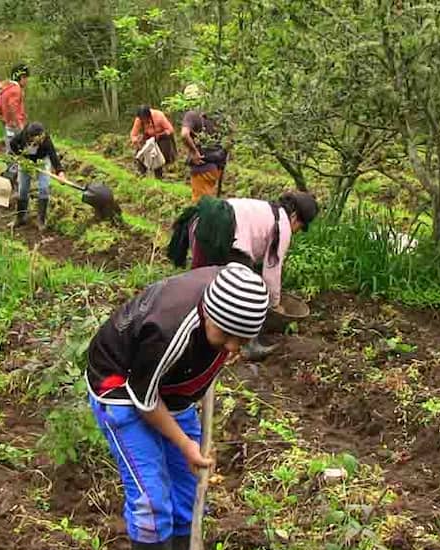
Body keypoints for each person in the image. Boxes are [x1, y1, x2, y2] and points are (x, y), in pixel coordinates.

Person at [85, 262, 269, 550]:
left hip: (171, 386)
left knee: (188, 484)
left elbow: (224, 335)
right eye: (226, 336)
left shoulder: (232, 293)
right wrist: (184, 443)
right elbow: (145, 402)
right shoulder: (167, 331)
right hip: (121, 385)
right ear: (209, 314)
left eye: (241, 340)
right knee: (152, 499)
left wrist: (187, 446)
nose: (232, 347)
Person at [166, 192, 319, 359]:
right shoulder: (283, 225)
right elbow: (272, 270)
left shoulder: (267, 209)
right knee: (246, 290)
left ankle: (188, 327)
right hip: (222, 230)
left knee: (204, 279)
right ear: (294, 216)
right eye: (300, 227)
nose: (297, 231)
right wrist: (275, 304)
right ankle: (249, 346)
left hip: (203, 221)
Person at [8, 122, 66, 227]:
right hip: (25, 161)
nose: (40, 140)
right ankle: (20, 217)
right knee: (23, 188)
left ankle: (41, 220)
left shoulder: (46, 139)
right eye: (37, 138)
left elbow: (53, 155)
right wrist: (20, 156)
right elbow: (12, 144)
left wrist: (60, 172)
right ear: (30, 137)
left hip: (42, 160)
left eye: (41, 138)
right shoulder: (23, 135)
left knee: (44, 188)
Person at [180, 85, 228, 202]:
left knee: (201, 205)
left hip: (202, 166)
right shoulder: (214, 115)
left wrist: (194, 152)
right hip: (216, 166)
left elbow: (184, 134)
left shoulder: (191, 115)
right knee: (211, 200)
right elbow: (229, 135)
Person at [130, 105, 177, 178]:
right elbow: (133, 134)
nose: (144, 121)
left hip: (161, 137)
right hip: (148, 137)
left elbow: (170, 130)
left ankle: (159, 175)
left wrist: (160, 135)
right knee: (141, 153)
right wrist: (136, 141)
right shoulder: (139, 119)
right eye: (142, 119)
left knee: (159, 154)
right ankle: (141, 173)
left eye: (145, 119)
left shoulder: (159, 116)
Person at [0, 63, 29, 147]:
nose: (27, 81)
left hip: (8, 124)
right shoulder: (16, 89)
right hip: (15, 126)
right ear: (21, 77)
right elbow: (13, 107)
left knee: (10, 148)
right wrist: (20, 124)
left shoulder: (6, 88)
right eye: (26, 78)